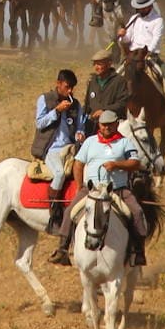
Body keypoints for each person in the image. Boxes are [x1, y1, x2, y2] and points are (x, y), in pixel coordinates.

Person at [49, 110, 149, 267]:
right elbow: (78, 164)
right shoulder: (90, 142)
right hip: (92, 189)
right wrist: (79, 185)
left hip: (117, 190)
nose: (106, 128)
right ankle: (62, 249)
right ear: (99, 125)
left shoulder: (124, 143)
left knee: (137, 212)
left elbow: (135, 163)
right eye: (103, 124)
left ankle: (138, 252)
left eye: (110, 124)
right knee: (70, 211)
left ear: (116, 124)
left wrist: (116, 164)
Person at [119, 0, 165, 119]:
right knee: (116, 76)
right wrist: (122, 36)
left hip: (150, 55)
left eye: (142, 7)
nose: (139, 10)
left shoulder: (158, 20)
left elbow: (156, 39)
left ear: (149, 5)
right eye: (138, 7)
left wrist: (146, 53)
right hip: (132, 56)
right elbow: (127, 39)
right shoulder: (134, 19)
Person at [31, 69, 83, 234]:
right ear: (58, 84)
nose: (70, 91)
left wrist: (80, 133)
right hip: (51, 148)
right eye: (67, 87)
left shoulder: (76, 104)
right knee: (59, 174)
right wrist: (57, 111)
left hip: (70, 147)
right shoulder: (45, 99)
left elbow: (80, 125)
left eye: (72, 88)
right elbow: (39, 123)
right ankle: (54, 214)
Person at [82, 47, 130, 125]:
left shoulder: (119, 81)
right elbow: (87, 104)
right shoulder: (92, 81)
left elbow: (122, 103)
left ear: (109, 64)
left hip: (112, 125)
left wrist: (104, 110)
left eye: (99, 64)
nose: (96, 67)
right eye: (95, 64)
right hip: (93, 124)